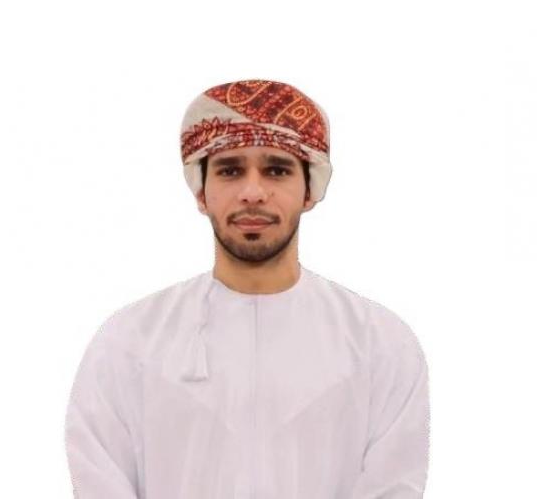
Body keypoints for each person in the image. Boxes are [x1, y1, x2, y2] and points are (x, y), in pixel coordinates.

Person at [64, 79, 430, 498]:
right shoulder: (131, 342)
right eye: (230, 170)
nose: (253, 193)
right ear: (201, 192)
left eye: (276, 170)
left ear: (309, 190)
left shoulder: (379, 345)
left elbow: (392, 486)